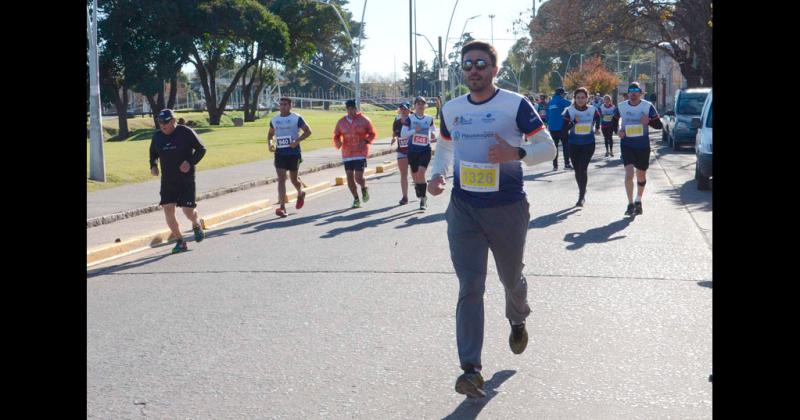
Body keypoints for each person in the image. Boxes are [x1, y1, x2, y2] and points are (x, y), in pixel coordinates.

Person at [427, 41, 556, 399]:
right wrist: (436, 175)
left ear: (495, 69)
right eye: (467, 64)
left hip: (507, 209)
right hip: (464, 209)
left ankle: (517, 319)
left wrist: (516, 153)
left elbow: (548, 148)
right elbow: (446, 147)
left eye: (481, 63)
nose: (473, 69)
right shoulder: (451, 109)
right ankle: (471, 369)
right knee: (470, 286)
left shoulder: (514, 105)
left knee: (510, 277)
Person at [148, 109, 207, 254]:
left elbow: (201, 149)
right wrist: (153, 165)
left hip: (185, 179)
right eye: (160, 123)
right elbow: (153, 153)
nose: (163, 125)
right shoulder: (157, 137)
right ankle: (180, 241)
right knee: (168, 209)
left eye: (166, 122)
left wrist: (190, 162)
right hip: (168, 180)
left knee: (188, 212)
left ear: (173, 121)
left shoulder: (186, 132)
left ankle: (195, 223)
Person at [614, 82, 663, 216]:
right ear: (628, 93)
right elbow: (614, 121)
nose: (633, 93)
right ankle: (630, 204)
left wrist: (649, 121)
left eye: (636, 91)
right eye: (631, 91)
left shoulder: (648, 106)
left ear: (640, 93)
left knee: (641, 174)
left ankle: (638, 200)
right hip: (627, 144)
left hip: (642, 146)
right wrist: (618, 130)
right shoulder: (621, 106)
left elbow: (659, 125)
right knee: (629, 173)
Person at [268, 97, 312, 217]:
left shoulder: (296, 118)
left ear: (290, 106)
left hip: (293, 153)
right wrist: (270, 144)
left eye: (285, 104)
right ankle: (282, 207)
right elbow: (271, 134)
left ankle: (300, 192)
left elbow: (308, 131)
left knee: (293, 179)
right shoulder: (274, 119)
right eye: (281, 104)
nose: (282, 107)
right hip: (280, 153)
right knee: (281, 179)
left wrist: (297, 141)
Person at [333, 99, 377, 208]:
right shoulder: (341, 122)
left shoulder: (364, 120)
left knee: (358, 177)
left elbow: (372, 133)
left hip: (360, 152)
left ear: (355, 109)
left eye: (352, 109)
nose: (350, 111)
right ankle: (356, 199)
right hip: (347, 153)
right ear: (346, 109)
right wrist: (338, 142)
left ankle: (363, 187)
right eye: (348, 109)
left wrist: (366, 141)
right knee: (349, 178)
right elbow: (336, 135)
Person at [561, 87, 601, 207]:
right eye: (578, 97)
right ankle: (582, 189)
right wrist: (573, 122)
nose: (580, 100)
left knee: (583, 169)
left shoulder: (593, 109)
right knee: (577, 170)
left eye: (583, 97)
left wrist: (597, 128)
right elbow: (563, 130)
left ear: (587, 98)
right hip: (573, 144)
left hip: (588, 144)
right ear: (575, 98)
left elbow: (598, 118)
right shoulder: (569, 110)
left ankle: (581, 196)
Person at [406, 96, 437, 210]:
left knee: (421, 173)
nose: (420, 105)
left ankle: (423, 199)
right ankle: (418, 187)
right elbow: (404, 133)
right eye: (418, 103)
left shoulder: (429, 118)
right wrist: (415, 131)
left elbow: (433, 128)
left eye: (422, 103)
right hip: (413, 150)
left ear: (425, 106)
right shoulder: (410, 118)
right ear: (415, 105)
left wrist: (433, 133)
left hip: (425, 149)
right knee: (415, 176)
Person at [390, 102, 412, 204]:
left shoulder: (413, 120)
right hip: (401, 150)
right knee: (403, 174)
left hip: (413, 150)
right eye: (401, 109)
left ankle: (419, 189)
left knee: (415, 174)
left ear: (409, 110)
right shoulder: (397, 121)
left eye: (405, 109)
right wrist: (394, 138)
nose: (403, 111)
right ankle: (405, 197)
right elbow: (395, 133)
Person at [547, 87, 572, 170]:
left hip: (552, 128)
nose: (564, 95)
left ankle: (555, 166)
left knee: (555, 147)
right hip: (562, 127)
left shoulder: (550, 102)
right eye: (564, 94)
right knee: (566, 146)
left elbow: (547, 116)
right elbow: (572, 104)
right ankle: (567, 164)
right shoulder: (562, 101)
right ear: (561, 94)